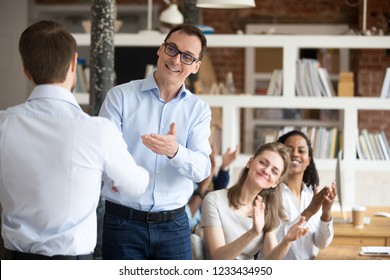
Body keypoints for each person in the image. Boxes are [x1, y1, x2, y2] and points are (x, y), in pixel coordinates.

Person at [0, 20, 149, 260]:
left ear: (25, 69)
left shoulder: (3, 124)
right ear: (73, 63)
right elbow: (136, 186)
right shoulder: (99, 131)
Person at [99, 23, 211, 260]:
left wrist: (176, 151)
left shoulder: (198, 110)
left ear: (196, 66)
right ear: (160, 50)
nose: (176, 60)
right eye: (172, 49)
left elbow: (202, 169)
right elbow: (101, 154)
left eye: (187, 56)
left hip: (174, 226)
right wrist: (114, 175)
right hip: (122, 223)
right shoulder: (120, 97)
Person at [201, 142, 309, 260]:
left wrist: (287, 241)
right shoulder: (214, 200)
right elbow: (217, 258)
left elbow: (270, 259)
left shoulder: (265, 209)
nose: (266, 171)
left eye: (274, 171)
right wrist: (253, 232)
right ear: (250, 162)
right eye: (263, 162)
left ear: (275, 183)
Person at [274, 130, 336, 259]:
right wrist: (309, 211)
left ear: (308, 160)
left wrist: (326, 213)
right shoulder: (270, 194)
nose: (295, 154)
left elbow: (321, 243)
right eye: (288, 149)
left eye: (301, 151)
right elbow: (274, 242)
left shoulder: (311, 196)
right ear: (280, 156)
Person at [186, 144, 239, 232]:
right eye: (210, 154)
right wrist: (203, 187)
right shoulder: (190, 179)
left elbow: (217, 189)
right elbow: (188, 216)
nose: (213, 158)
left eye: (213, 154)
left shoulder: (205, 175)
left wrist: (224, 167)